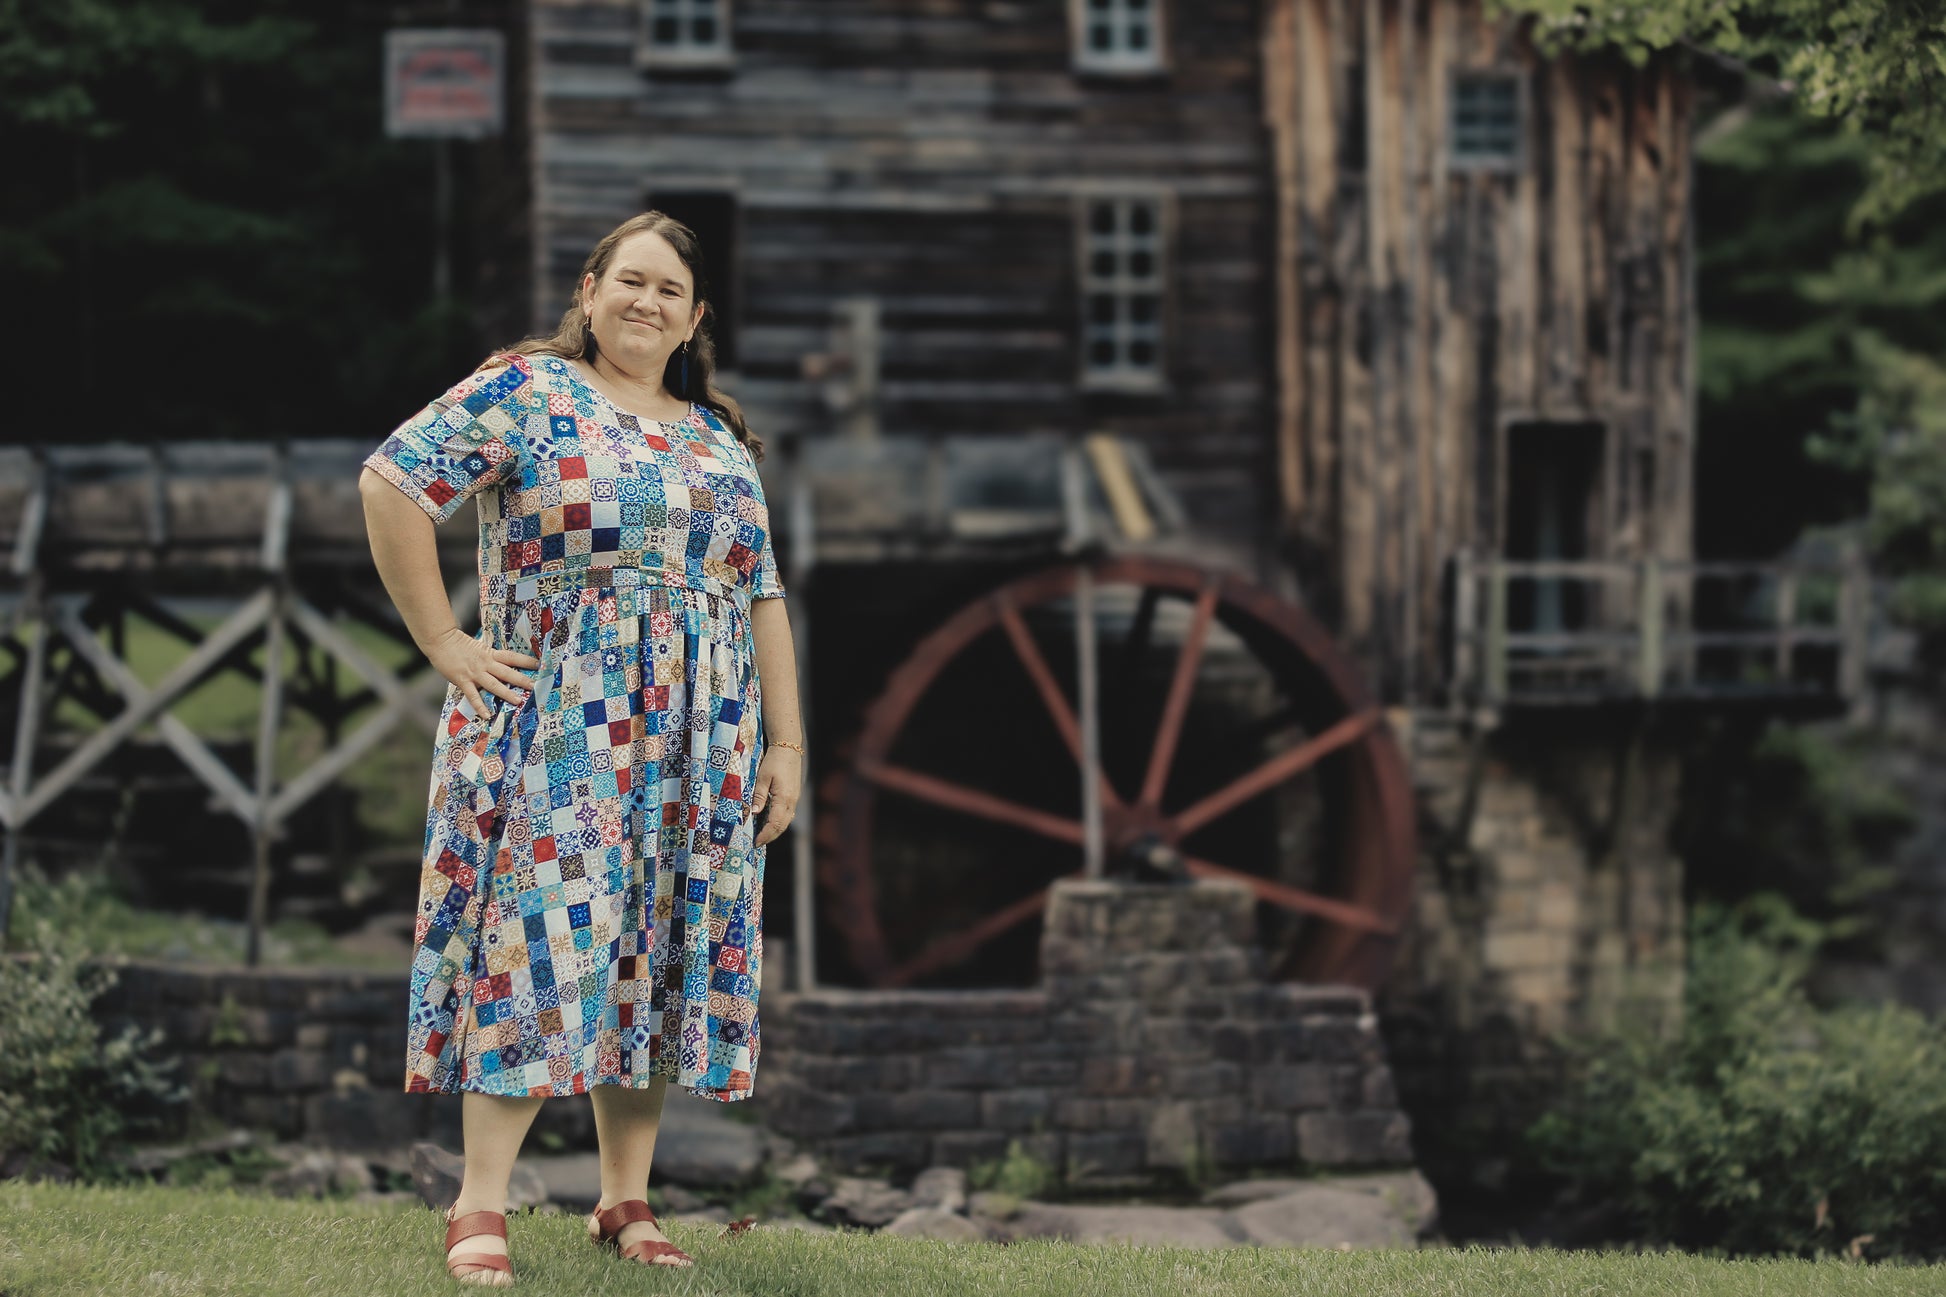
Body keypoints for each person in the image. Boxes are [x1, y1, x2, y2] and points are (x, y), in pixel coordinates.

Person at [358, 211, 804, 1284]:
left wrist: (785, 742)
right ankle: (479, 1203)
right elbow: (391, 481)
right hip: (567, 723)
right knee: (541, 937)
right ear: (592, 287)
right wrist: (443, 639)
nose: (646, 304)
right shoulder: (527, 391)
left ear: (695, 318)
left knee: (650, 954)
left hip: (701, 738)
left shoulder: (715, 437)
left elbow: (761, 592)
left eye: (669, 292)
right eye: (630, 281)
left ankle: (624, 1199)